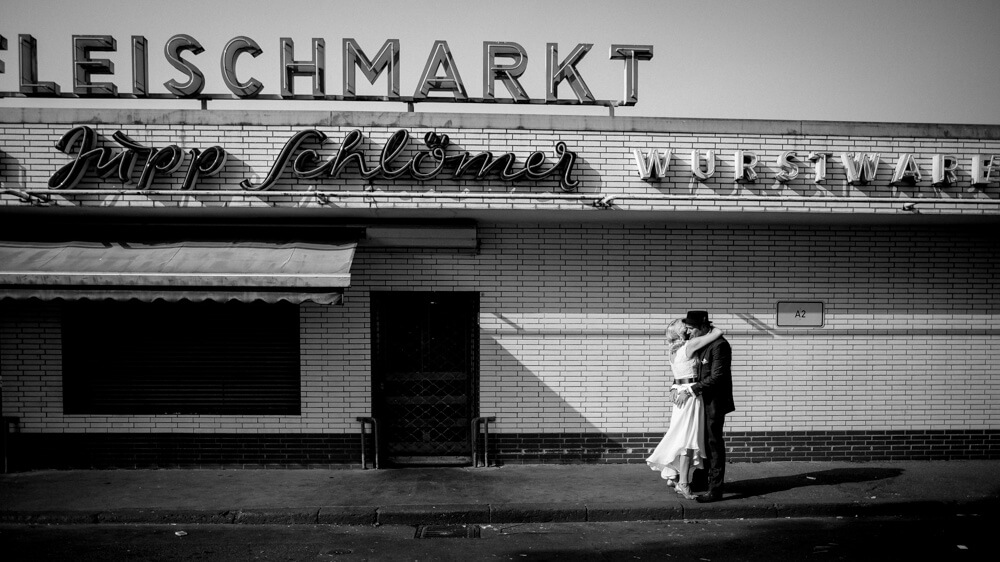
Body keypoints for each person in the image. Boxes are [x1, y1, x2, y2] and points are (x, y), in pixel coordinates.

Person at [646, 318, 724, 499]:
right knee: (687, 441)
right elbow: (718, 332)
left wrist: (673, 388)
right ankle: (683, 483)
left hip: (680, 392)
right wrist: (706, 325)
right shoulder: (689, 346)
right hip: (690, 396)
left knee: (681, 435)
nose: (689, 329)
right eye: (686, 327)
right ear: (681, 332)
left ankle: (672, 475)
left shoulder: (672, 350)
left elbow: (678, 376)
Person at [682, 310, 734, 503]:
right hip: (701, 402)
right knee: (702, 442)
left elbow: (717, 377)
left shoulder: (720, 346)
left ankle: (715, 489)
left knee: (713, 444)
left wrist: (691, 390)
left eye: (691, 328)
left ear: (704, 327)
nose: (688, 332)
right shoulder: (702, 344)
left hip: (714, 402)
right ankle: (702, 481)